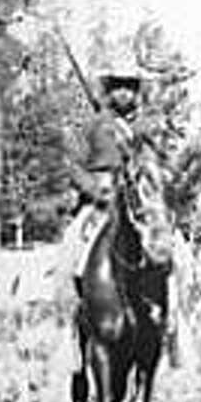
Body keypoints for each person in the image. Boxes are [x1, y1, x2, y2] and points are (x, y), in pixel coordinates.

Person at [64, 65, 143, 293]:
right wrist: (94, 189)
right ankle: (69, 309)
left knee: (176, 249)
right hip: (101, 198)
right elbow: (74, 165)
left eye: (129, 87)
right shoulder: (94, 125)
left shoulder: (144, 127)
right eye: (118, 86)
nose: (124, 92)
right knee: (71, 247)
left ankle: (182, 315)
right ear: (109, 91)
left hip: (139, 197)